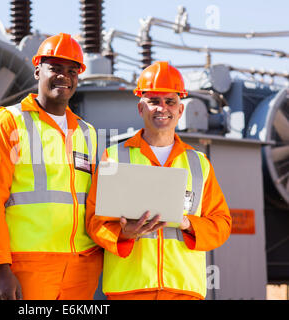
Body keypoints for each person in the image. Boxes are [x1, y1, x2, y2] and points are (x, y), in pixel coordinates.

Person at [86, 61, 232, 300]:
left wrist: (187, 224)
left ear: (180, 110)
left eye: (170, 101)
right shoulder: (114, 157)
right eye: (153, 101)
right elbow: (95, 222)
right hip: (129, 289)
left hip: (183, 291)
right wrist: (125, 234)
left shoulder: (199, 164)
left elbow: (222, 224)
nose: (162, 108)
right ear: (140, 108)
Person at [0, 33, 102, 300]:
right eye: (55, 69)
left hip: (82, 266)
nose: (63, 76)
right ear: (37, 71)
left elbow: (94, 202)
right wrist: (0, 270)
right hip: (29, 265)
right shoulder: (9, 122)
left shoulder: (87, 132)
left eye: (71, 71)